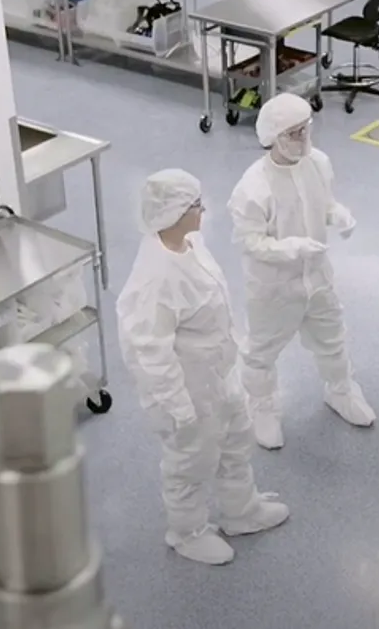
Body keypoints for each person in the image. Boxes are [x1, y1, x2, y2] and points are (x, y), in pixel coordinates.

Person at [117, 169, 289, 565]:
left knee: (235, 442)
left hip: (218, 375)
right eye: (195, 205)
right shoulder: (154, 278)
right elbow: (149, 353)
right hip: (189, 391)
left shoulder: (192, 244)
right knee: (190, 462)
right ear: (173, 213)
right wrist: (177, 409)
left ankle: (241, 511)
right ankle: (187, 531)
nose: (203, 209)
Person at [228, 93, 376, 450]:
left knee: (331, 335)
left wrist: (337, 214)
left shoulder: (318, 162)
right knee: (262, 350)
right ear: (273, 137)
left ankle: (340, 390)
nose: (303, 139)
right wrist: (289, 248)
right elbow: (249, 242)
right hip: (273, 287)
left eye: (306, 129)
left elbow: (322, 203)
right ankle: (261, 407)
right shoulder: (253, 187)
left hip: (317, 276)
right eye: (294, 134)